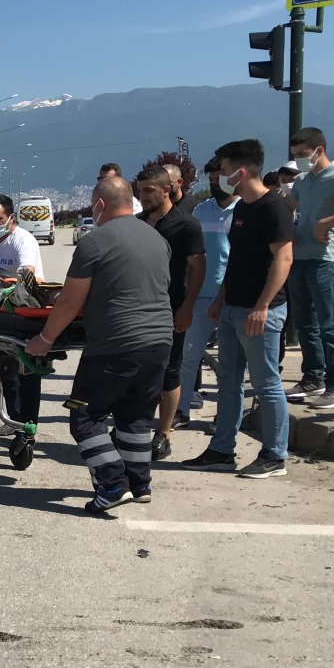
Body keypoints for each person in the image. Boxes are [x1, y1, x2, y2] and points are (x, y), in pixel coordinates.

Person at [26, 176, 172, 513]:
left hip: (116, 343)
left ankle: (112, 484)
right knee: (135, 417)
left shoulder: (95, 241)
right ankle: (139, 483)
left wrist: (44, 340)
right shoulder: (157, 238)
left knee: (85, 417)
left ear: (100, 205)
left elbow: (69, 301)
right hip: (159, 342)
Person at [181, 140, 294, 478]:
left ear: (241, 172)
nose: (221, 177)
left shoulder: (273, 208)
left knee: (266, 384)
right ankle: (221, 449)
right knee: (229, 381)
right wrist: (220, 299)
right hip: (232, 307)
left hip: (260, 312)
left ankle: (274, 455)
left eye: (225, 170)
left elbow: (283, 259)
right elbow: (236, 260)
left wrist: (262, 305)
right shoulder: (243, 207)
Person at [135, 165, 205, 460]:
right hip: (137, 309)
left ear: (167, 190)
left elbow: (197, 268)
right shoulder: (137, 223)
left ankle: (163, 433)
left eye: (149, 191)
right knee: (138, 370)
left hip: (171, 308)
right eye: (140, 191)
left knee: (169, 371)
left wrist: (188, 307)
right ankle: (134, 427)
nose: (143, 196)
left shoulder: (186, 225)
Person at [282, 127, 334, 409]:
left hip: (326, 258)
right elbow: (289, 207)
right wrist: (289, 230)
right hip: (300, 257)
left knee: (330, 325)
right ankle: (312, 377)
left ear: (320, 149)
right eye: (295, 155)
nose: (299, 159)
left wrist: (326, 223)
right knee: (305, 323)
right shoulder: (303, 180)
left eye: (303, 154)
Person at [175, 158, 237, 429]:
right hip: (200, 295)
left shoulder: (244, 211)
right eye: (211, 179)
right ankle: (181, 409)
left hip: (232, 298)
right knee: (189, 357)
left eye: (219, 178)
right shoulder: (201, 212)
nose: (215, 184)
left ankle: (225, 416)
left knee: (230, 364)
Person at [0, 193, 45, 436]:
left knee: (27, 370)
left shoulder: (23, 240)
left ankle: (28, 425)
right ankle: (12, 419)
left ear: (11, 217)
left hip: (25, 310)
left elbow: (27, 275)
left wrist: (1, 283)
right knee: (6, 368)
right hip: (0, 309)